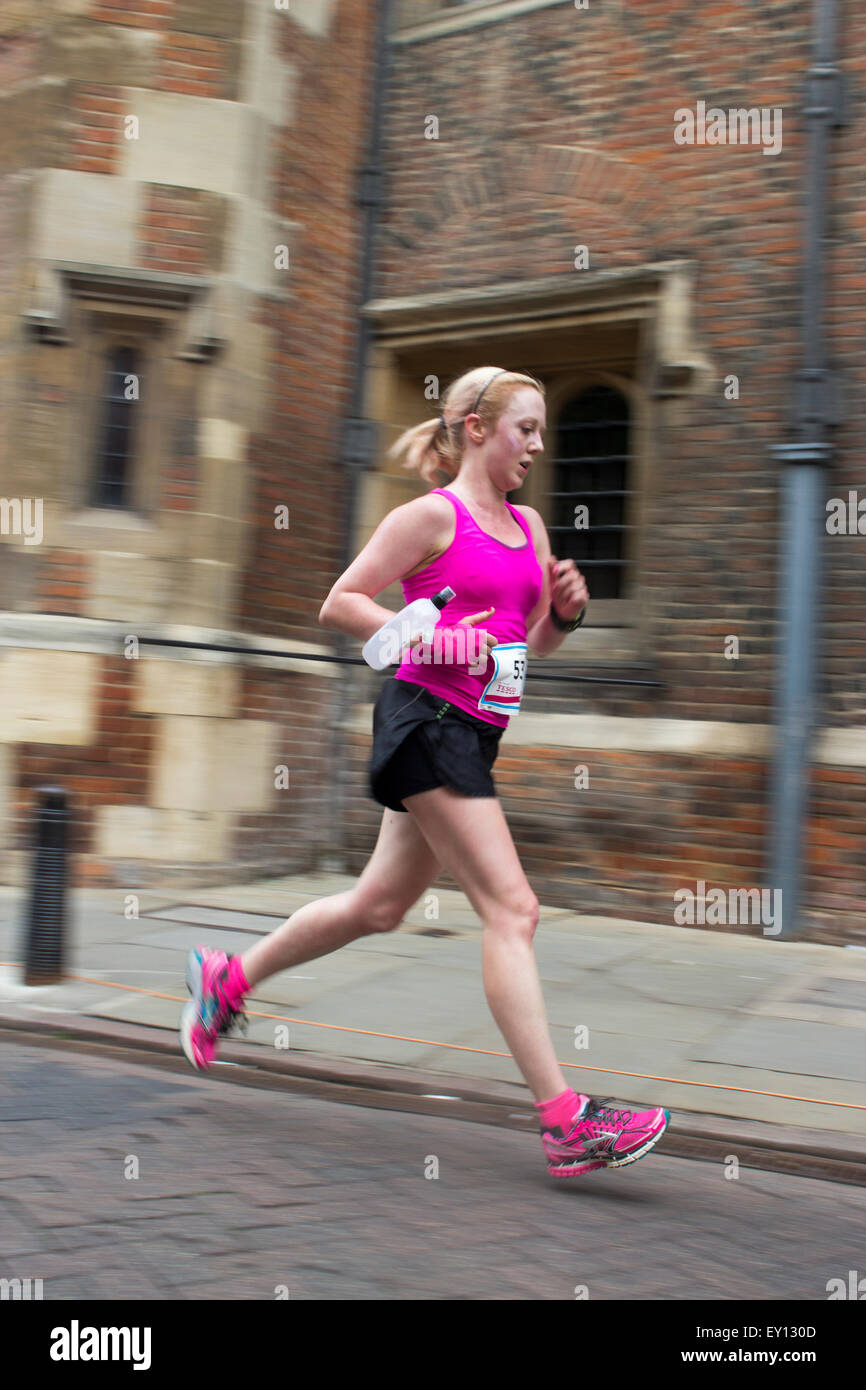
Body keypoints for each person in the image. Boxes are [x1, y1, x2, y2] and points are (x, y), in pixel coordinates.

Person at [180, 366, 670, 1178]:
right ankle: (565, 1121)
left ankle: (229, 978)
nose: (538, 447)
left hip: (473, 738)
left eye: (543, 431)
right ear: (477, 429)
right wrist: (427, 638)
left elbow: (527, 645)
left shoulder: (531, 529)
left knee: (378, 906)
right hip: (425, 724)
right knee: (514, 910)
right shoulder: (429, 518)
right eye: (526, 429)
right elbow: (341, 602)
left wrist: (570, 617)